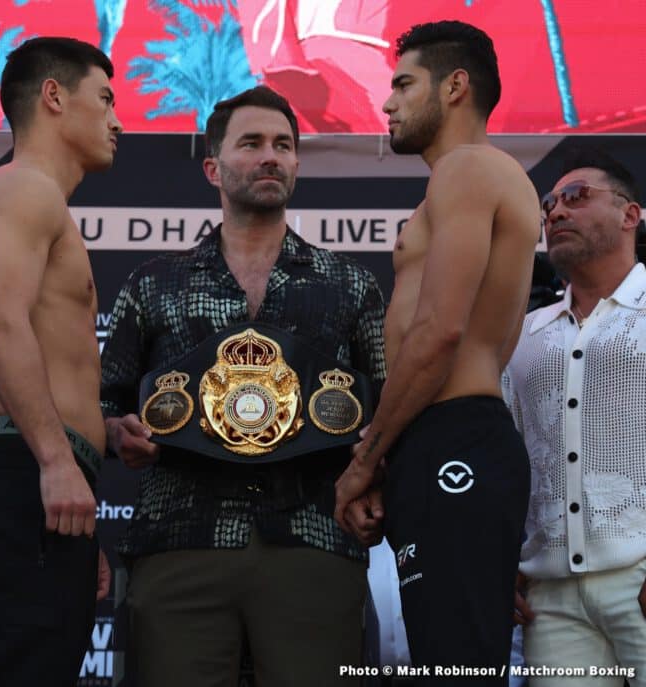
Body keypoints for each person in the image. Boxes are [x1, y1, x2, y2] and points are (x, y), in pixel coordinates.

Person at [101, 85, 386, 687]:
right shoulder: (154, 283)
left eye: (283, 145)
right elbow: (104, 402)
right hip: (181, 540)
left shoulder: (351, 284)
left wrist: (373, 475)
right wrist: (116, 431)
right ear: (213, 167)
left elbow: (387, 408)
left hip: (313, 540)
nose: (270, 157)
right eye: (252, 143)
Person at [334, 20, 541, 683]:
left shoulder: (469, 167)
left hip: (459, 441)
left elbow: (439, 333)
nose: (387, 103)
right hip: (439, 442)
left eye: (402, 84)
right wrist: (392, 456)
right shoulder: (460, 180)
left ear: (456, 86)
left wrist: (363, 460)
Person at [0, 37, 121, 686]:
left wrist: (95, 440)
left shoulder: (23, 195)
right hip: (26, 474)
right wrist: (54, 461)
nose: (117, 119)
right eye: (103, 98)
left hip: (35, 485)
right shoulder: (24, 188)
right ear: (54, 96)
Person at [505, 149, 646, 686]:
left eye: (576, 196)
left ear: (630, 214)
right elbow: (508, 457)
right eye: (549, 203)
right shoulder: (523, 335)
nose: (556, 211)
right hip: (552, 599)